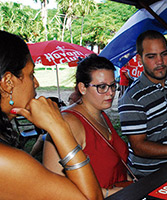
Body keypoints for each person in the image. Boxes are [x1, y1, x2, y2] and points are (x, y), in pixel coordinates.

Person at [0, 30, 102, 199]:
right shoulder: (6, 161)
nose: (36, 83)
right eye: (31, 74)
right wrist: (58, 126)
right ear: (8, 82)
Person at [43, 54, 131, 198]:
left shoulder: (101, 114)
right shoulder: (69, 122)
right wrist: (107, 193)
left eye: (113, 85)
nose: (111, 93)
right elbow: (53, 183)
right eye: (102, 87)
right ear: (82, 88)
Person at [118, 30, 167, 178]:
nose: (160, 61)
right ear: (139, 59)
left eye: (164, 54)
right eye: (151, 56)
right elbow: (139, 147)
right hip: (148, 176)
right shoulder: (131, 97)